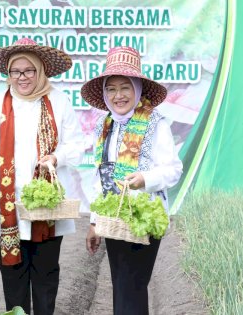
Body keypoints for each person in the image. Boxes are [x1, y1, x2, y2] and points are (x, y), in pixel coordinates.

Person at [0, 38, 84, 315]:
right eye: (16, 71)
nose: (22, 77)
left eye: (29, 71)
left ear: (40, 71)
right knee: (12, 269)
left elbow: (77, 145)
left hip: (47, 204)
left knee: (46, 271)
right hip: (8, 205)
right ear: (8, 74)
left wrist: (56, 157)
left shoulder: (58, 101)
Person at [83, 46, 183, 315]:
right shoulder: (106, 125)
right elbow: (100, 178)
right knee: (122, 287)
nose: (118, 95)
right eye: (111, 88)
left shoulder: (154, 123)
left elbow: (173, 170)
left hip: (144, 220)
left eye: (125, 87)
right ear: (104, 93)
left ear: (137, 89)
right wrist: (94, 222)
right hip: (115, 219)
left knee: (131, 287)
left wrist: (145, 179)